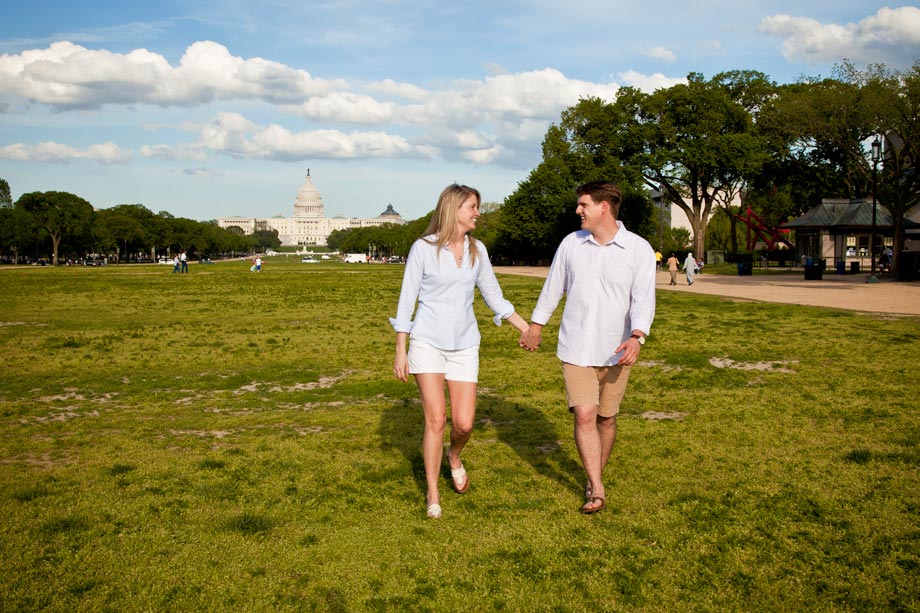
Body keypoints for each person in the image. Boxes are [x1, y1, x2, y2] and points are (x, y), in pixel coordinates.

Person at [391, 184, 530, 519]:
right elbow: (407, 299)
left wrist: (527, 328)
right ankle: (433, 494)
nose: (477, 213)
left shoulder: (476, 251)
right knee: (436, 418)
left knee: (465, 424)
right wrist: (401, 349)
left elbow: (494, 298)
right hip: (427, 342)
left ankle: (454, 456)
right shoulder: (423, 248)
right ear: (454, 209)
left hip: (465, 344)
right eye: (472, 207)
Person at [521, 181, 655, 514]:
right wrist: (536, 326)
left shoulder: (638, 249)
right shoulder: (571, 244)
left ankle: (593, 476)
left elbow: (643, 299)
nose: (578, 210)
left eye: (583, 205)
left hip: (616, 348)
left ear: (603, 207)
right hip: (575, 347)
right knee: (584, 414)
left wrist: (638, 336)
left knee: (606, 419)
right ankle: (596, 487)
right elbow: (553, 289)